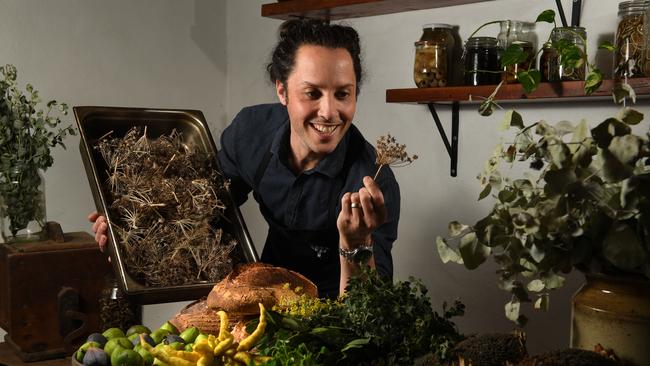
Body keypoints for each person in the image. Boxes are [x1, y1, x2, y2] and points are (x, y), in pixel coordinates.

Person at [89, 19, 400, 299]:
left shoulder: (372, 181)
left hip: (332, 312)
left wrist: (355, 244)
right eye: (312, 93)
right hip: (263, 293)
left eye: (343, 94)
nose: (330, 112)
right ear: (282, 91)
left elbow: (372, 309)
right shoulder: (252, 133)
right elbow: (206, 211)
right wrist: (128, 235)